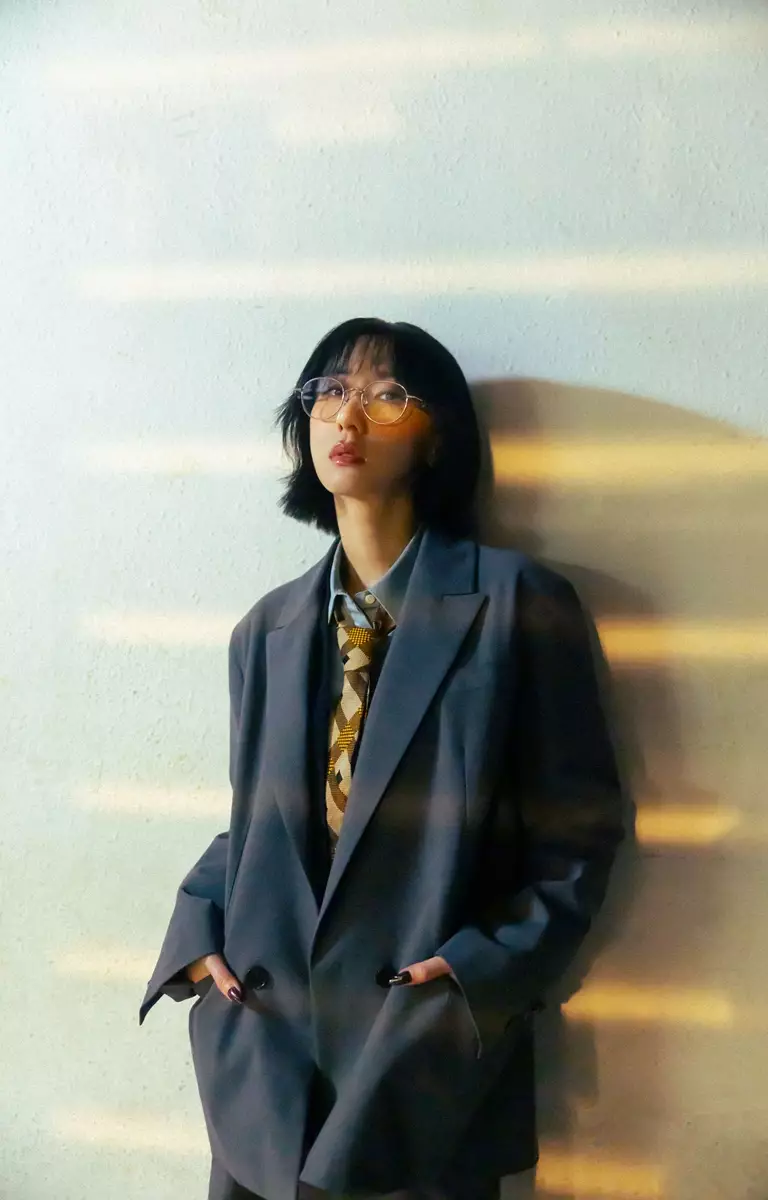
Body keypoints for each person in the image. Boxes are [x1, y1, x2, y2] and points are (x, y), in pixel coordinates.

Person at [139, 318, 625, 1200]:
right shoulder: (267, 629)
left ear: (437, 435)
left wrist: (480, 971)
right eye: (329, 392)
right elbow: (255, 827)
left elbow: (579, 834)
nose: (347, 416)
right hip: (268, 1049)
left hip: (417, 1057)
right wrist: (197, 938)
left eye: (386, 394)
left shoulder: (518, 605)